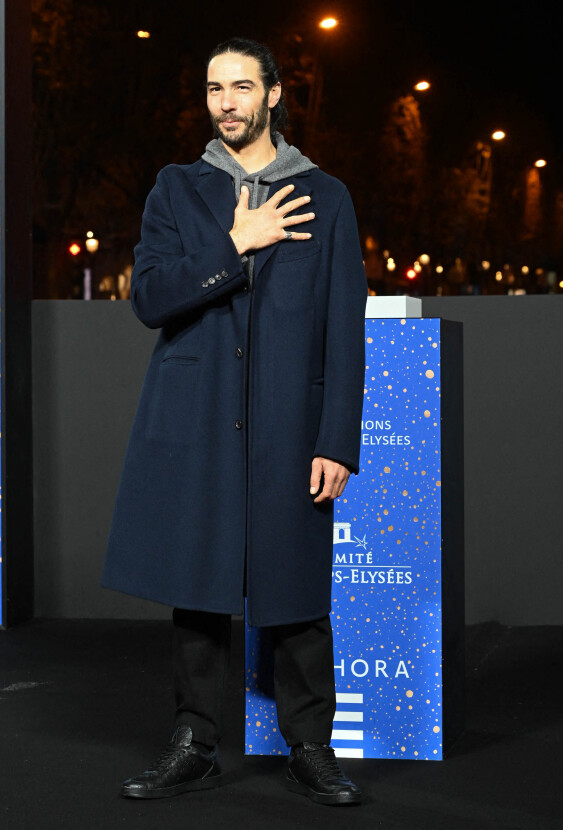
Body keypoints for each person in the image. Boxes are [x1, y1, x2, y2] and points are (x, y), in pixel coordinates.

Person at [101, 37, 368, 807]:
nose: (226, 102)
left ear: (274, 95)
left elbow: (343, 331)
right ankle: (194, 742)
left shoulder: (329, 195)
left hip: (291, 423)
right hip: (198, 417)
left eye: (242, 87)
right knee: (198, 583)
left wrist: (336, 438)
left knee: (295, 586)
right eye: (215, 87)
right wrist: (234, 245)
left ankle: (311, 746)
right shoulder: (177, 188)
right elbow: (150, 297)